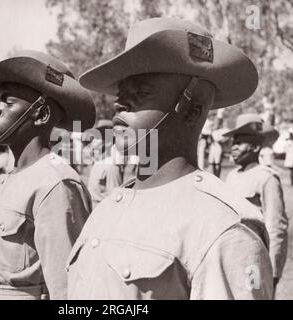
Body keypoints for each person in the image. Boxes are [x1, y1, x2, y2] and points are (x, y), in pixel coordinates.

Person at [66, 17, 273, 300]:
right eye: (120, 94)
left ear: (192, 109)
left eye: (140, 92)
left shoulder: (221, 226)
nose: (119, 104)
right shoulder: (109, 207)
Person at [0, 50, 95, 299]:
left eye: (8, 102)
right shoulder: (11, 176)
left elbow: (68, 290)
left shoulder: (55, 183)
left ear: (41, 114)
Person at [223, 114, 288, 295]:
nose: (233, 147)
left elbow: (277, 226)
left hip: (254, 261)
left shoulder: (266, 178)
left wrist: (274, 271)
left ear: (255, 147)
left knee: (254, 296)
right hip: (230, 255)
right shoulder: (232, 176)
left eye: (239, 143)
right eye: (233, 142)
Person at [87, 119, 123, 208]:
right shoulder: (97, 162)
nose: (92, 142)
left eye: (95, 139)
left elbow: (115, 201)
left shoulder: (111, 166)